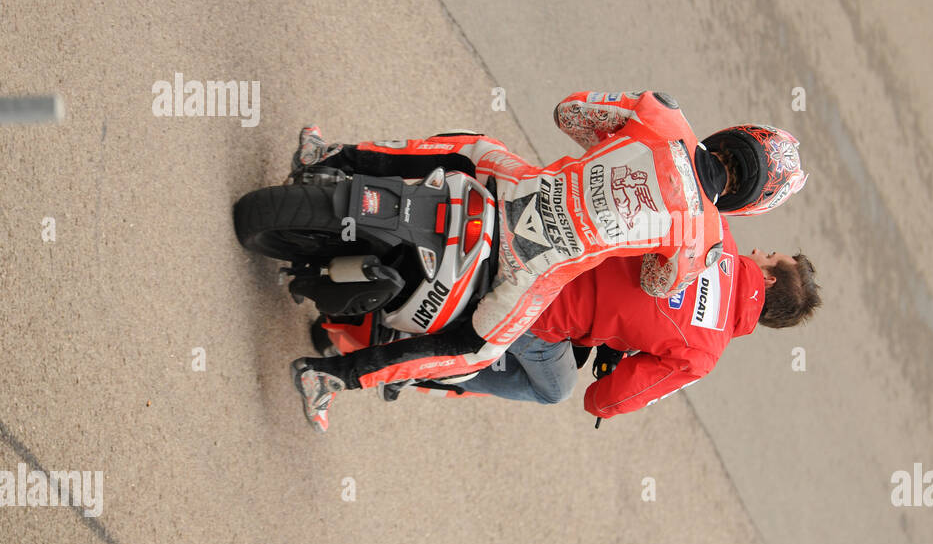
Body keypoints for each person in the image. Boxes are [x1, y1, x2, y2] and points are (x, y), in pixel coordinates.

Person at [287, 91, 809, 432]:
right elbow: (608, 393)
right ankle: (335, 377)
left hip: (517, 188)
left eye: (771, 255)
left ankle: (330, 156)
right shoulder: (703, 236)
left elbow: (570, 113)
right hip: (533, 274)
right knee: (473, 354)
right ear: (752, 202)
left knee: (470, 147)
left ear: (737, 133)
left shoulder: (664, 115)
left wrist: (616, 150)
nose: (760, 253)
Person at [454, 220, 821, 418]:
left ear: (769, 278)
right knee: (556, 390)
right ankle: (451, 372)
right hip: (542, 307)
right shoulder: (703, 354)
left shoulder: (716, 228)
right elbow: (604, 401)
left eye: (770, 254)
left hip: (553, 227)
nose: (758, 250)